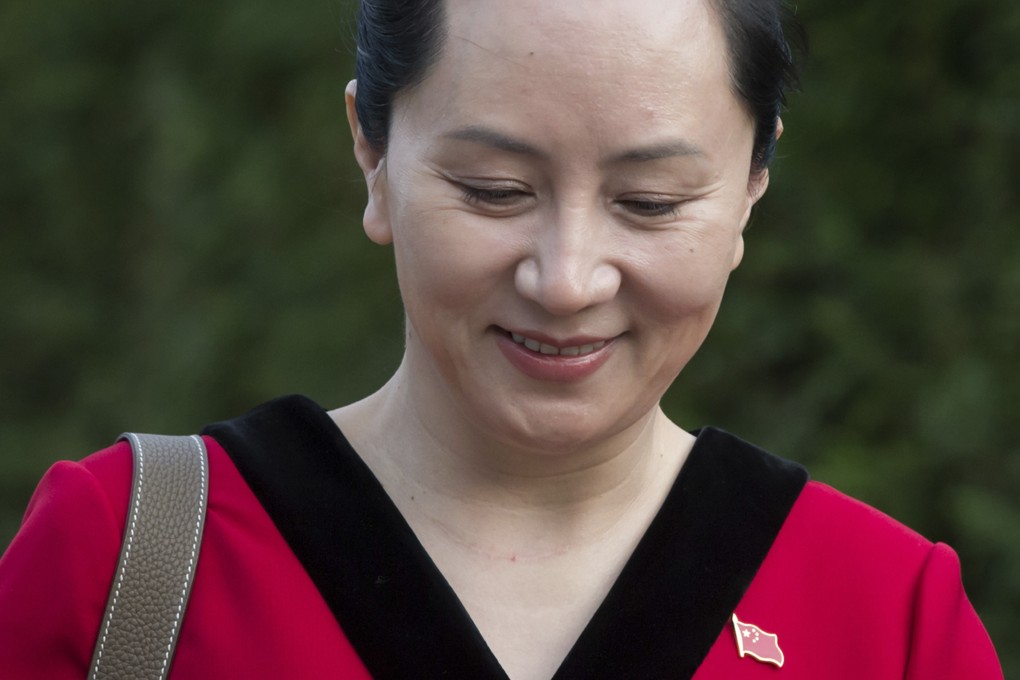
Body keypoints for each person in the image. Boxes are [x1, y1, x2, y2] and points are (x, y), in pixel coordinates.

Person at [0, 0, 1004, 677]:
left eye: (651, 201)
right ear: (372, 153)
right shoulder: (125, 559)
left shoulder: (890, 621)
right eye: (494, 190)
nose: (566, 280)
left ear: (752, 185)